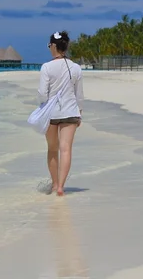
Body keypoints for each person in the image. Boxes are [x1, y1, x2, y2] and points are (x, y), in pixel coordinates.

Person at [38, 31, 84, 196]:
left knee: (52, 149)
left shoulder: (46, 67)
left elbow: (43, 93)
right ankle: (61, 187)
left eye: (49, 45)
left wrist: (42, 107)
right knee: (66, 149)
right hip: (71, 112)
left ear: (54, 46)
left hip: (51, 113)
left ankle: (54, 183)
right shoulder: (76, 68)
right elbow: (79, 94)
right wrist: (79, 113)